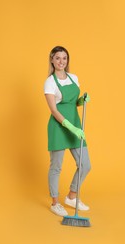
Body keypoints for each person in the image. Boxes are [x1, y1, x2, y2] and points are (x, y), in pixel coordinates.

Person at [44, 46, 91, 216]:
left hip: (74, 125)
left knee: (85, 165)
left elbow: (72, 103)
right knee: (56, 167)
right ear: (52, 60)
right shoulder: (49, 82)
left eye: (64, 58)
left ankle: (71, 196)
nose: (61, 61)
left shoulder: (73, 78)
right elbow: (54, 110)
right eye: (57, 58)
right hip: (59, 127)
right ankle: (55, 202)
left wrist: (82, 100)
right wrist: (69, 126)